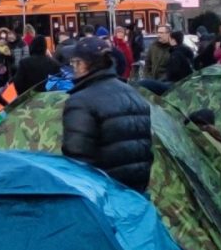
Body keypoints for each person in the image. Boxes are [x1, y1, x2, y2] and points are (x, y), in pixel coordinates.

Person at [61, 36, 153, 192]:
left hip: (103, 195)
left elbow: (77, 159)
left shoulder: (80, 101)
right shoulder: (133, 93)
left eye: (76, 62)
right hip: (136, 193)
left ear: (86, 65)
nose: (73, 67)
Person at [13, 33, 59, 97]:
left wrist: (22, 94)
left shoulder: (24, 62)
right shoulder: (53, 63)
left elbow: (18, 82)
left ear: (32, 46)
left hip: (29, 97)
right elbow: (58, 82)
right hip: (48, 98)